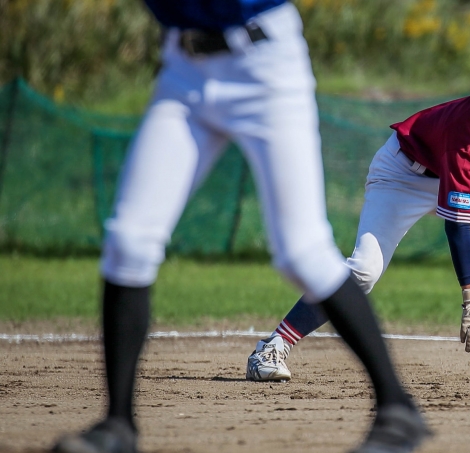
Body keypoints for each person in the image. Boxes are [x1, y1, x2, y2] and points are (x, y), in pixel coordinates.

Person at [51, 2, 430, 453]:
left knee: (302, 252)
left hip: (263, 63)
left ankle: (397, 409)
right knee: (129, 239)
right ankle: (117, 425)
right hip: (183, 68)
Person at [247, 30, 470, 387]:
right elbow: (457, 224)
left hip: (449, 172)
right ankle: (271, 349)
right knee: (364, 271)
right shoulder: (467, 131)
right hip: (400, 175)